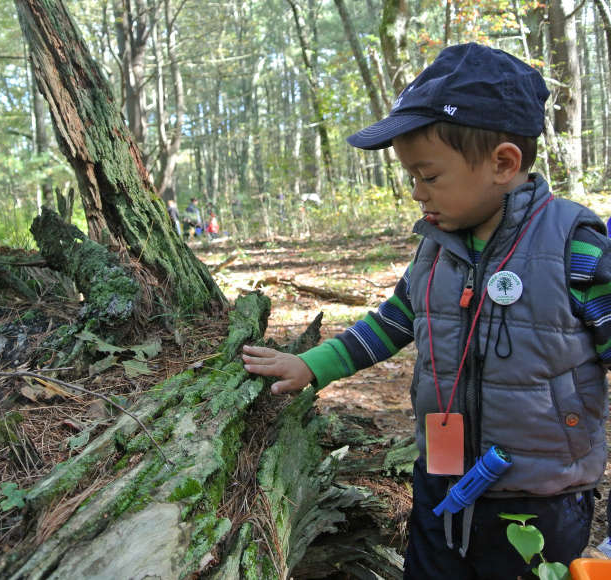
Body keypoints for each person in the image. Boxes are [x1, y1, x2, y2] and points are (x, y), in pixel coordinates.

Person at [242, 43, 611, 579]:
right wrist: (312, 367)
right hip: (441, 483)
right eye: (411, 177)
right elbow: (392, 322)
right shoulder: (437, 247)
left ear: (503, 163)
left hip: (541, 500)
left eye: (429, 176)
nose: (417, 193)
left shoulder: (576, 250)